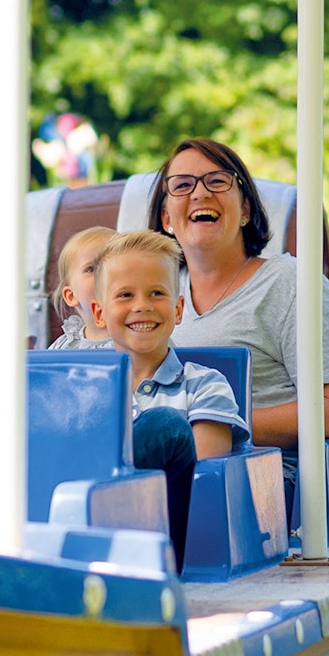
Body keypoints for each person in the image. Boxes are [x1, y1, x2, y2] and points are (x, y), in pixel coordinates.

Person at [148, 138, 329, 520]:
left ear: (245, 209)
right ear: (166, 218)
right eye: (182, 185)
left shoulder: (291, 283)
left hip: (266, 483)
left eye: (216, 181)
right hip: (172, 472)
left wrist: (211, 423)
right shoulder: (155, 294)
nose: (198, 193)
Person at [90, 229, 250, 564]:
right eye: (125, 295)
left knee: (167, 427)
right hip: (88, 527)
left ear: (178, 310)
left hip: (170, 538)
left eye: (156, 293)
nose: (142, 306)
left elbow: (203, 482)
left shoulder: (206, 385)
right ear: (100, 313)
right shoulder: (87, 389)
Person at [47, 226, 115, 350]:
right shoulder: (63, 347)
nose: (107, 273)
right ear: (71, 296)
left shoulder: (140, 341)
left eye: (116, 265)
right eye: (91, 269)